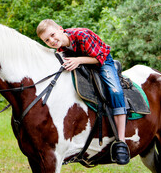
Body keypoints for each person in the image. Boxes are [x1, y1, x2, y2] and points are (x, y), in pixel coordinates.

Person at [36, 19, 130, 165]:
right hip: (80, 62)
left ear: (60, 29)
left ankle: (121, 142)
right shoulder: (60, 48)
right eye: (47, 40)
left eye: (53, 35)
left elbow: (100, 57)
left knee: (115, 91)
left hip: (102, 62)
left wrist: (79, 60)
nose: (52, 41)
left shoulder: (82, 35)